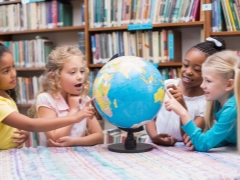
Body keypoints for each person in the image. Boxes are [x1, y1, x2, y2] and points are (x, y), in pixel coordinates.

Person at [0, 43, 95, 150]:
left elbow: (21, 126)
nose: (13, 74)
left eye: (13, 67)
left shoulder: (6, 97)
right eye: (6, 71)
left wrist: (24, 132)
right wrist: (74, 116)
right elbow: (31, 124)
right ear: (54, 76)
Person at [145, 37, 226, 147]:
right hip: (154, 145)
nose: (188, 72)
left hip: (182, 152)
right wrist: (154, 137)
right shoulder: (166, 85)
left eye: (197, 69)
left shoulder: (207, 103)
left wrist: (182, 107)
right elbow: (150, 116)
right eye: (186, 65)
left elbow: (188, 136)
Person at [165, 50, 240, 152]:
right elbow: (226, 137)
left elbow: (203, 144)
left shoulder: (232, 108)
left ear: (229, 85)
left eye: (208, 81)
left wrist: (182, 112)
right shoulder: (218, 102)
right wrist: (197, 141)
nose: (202, 85)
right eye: (203, 80)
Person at [28, 46, 103, 147]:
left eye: (82, 71)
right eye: (72, 72)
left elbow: (99, 137)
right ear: (54, 77)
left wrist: (74, 142)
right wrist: (73, 110)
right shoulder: (46, 99)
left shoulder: (85, 100)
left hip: (78, 158)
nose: (80, 76)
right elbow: (55, 138)